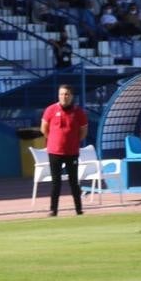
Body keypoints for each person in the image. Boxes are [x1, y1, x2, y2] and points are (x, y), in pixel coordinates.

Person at [40, 85, 88, 217]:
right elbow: (44, 129)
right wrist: (54, 141)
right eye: (61, 94)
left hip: (72, 152)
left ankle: (79, 209)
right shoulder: (50, 110)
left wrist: (73, 141)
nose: (64, 97)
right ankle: (53, 210)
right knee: (56, 182)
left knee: (74, 181)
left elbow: (83, 132)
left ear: (71, 96)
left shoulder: (78, 112)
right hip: (55, 152)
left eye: (66, 94)